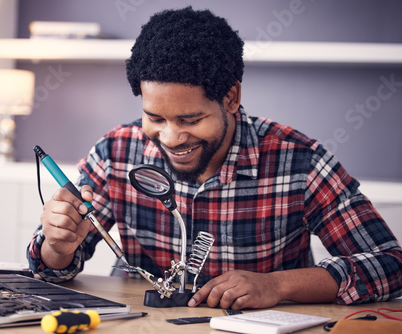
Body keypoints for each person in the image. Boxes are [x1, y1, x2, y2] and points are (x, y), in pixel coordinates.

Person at [27, 7, 402, 310]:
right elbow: (53, 271)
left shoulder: (299, 161)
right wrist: (58, 248)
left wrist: (277, 285)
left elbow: (391, 264)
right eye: (156, 118)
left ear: (231, 98)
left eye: (190, 119)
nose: (171, 138)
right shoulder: (115, 153)